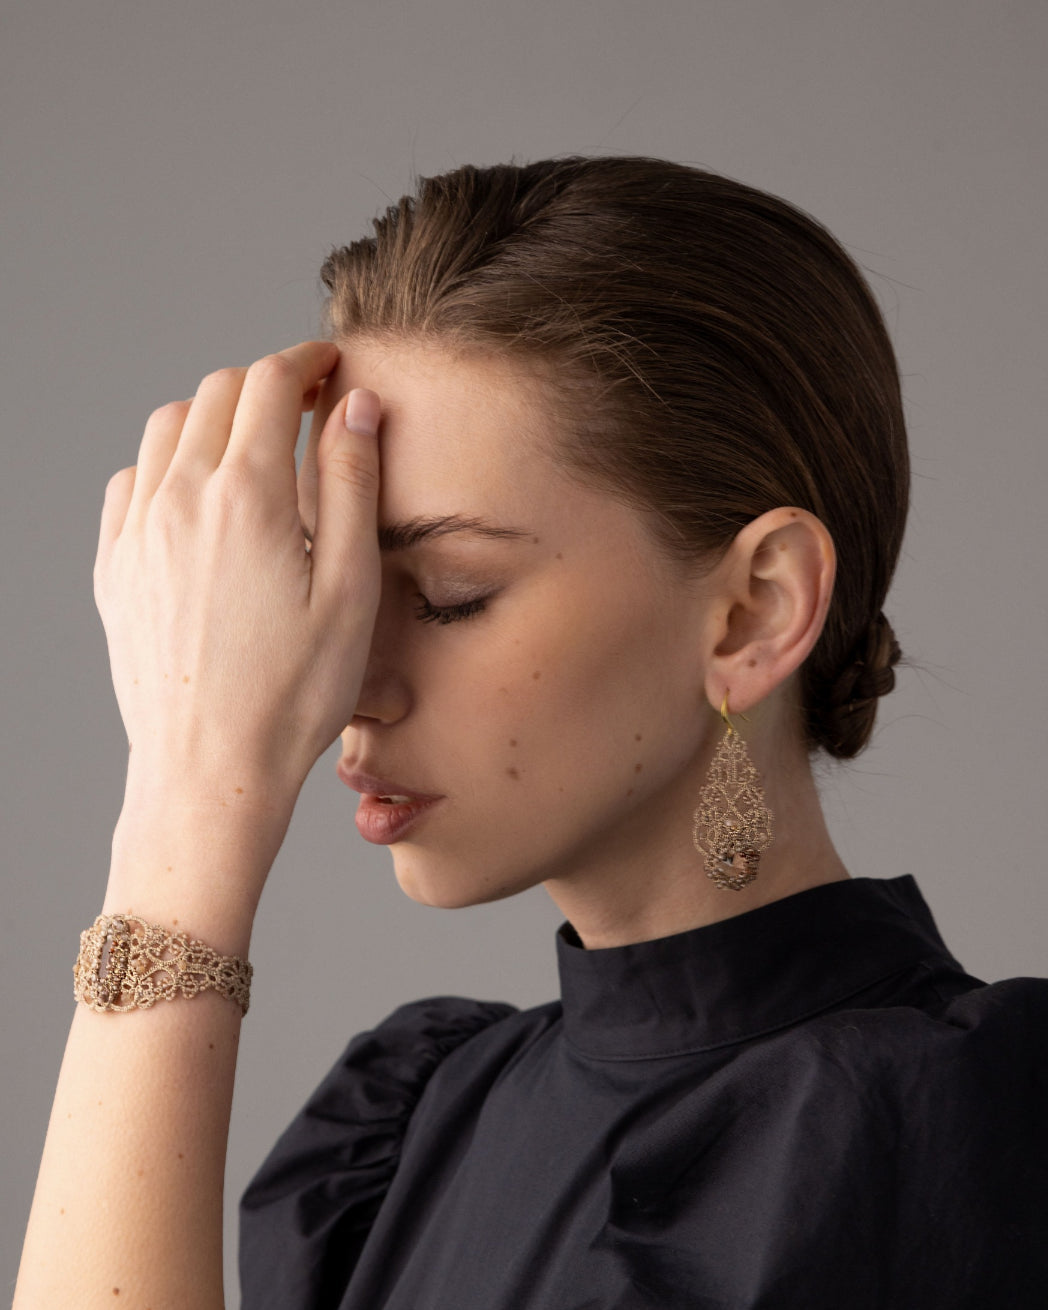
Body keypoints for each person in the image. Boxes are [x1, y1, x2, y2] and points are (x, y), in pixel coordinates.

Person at [14, 156, 1047, 1309]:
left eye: (448, 590)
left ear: (755, 606)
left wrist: (193, 800)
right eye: (333, 586)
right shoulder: (412, 1124)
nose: (345, 682)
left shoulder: (944, 1126)